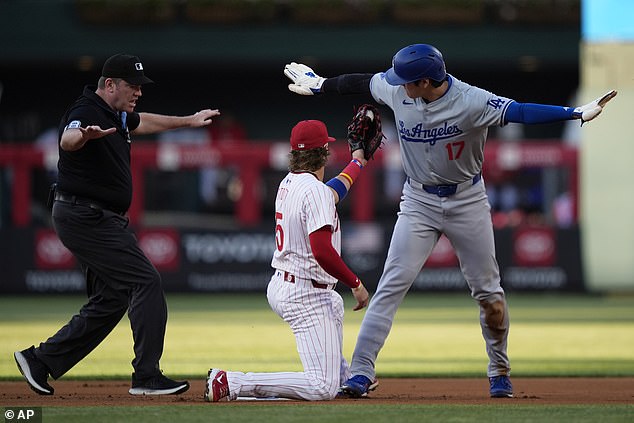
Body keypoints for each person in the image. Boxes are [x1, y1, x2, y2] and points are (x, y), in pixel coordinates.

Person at [283, 43, 617, 398]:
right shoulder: (399, 90)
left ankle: (499, 368)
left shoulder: (471, 101)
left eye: (407, 80)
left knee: (489, 294)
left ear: (426, 81)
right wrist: (321, 84)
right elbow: (363, 82)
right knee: (391, 286)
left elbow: (519, 111)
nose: (398, 85)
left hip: (467, 200)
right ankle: (361, 372)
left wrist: (574, 113)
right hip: (418, 200)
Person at [13, 53, 221, 396]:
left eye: (140, 86)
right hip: (86, 215)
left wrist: (189, 121)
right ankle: (147, 376)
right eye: (133, 86)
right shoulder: (87, 111)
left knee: (111, 300)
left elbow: (144, 122)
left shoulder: (116, 114)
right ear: (110, 85)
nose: (138, 92)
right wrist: (82, 136)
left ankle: (40, 361)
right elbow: (68, 137)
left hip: (93, 215)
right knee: (146, 281)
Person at [205, 119, 370, 401]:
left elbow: (332, 192)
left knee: (333, 304)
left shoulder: (290, 182)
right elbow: (322, 250)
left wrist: (359, 162)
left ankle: (343, 378)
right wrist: (355, 283)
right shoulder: (315, 190)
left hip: (287, 283)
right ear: (324, 153)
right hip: (304, 292)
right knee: (320, 388)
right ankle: (232, 382)